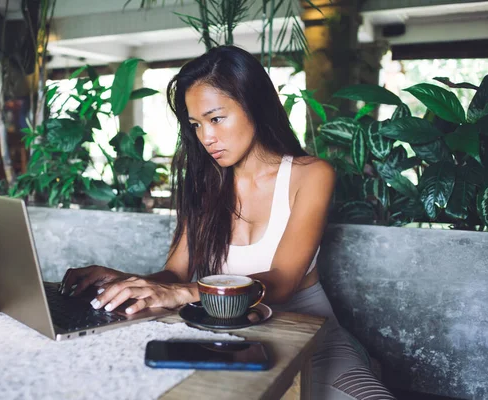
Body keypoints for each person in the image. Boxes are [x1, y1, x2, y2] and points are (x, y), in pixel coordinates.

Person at [60, 45, 395, 400]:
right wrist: (126, 282)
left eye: (216, 118)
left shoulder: (310, 175)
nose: (206, 137)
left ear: (254, 105)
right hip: (230, 340)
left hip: (312, 337)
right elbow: (175, 273)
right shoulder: (205, 186)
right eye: (196, 125)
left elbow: (281, 282)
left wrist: (181, 292)